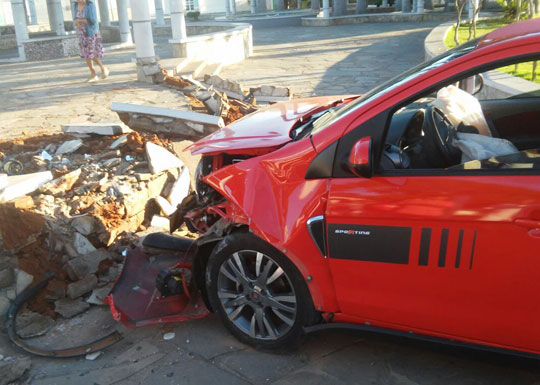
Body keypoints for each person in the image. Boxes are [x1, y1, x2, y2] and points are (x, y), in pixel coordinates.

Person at [73, 0, 109, 82]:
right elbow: (75, 18)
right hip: (81, 33)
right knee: (86, 54)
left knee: (91, 54)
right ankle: (93, 74)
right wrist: (76, 21)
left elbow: (92, 20)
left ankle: (103, 69)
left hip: (91, 32)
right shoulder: (75, 5)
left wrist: (80, 21)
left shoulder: (90, 5)